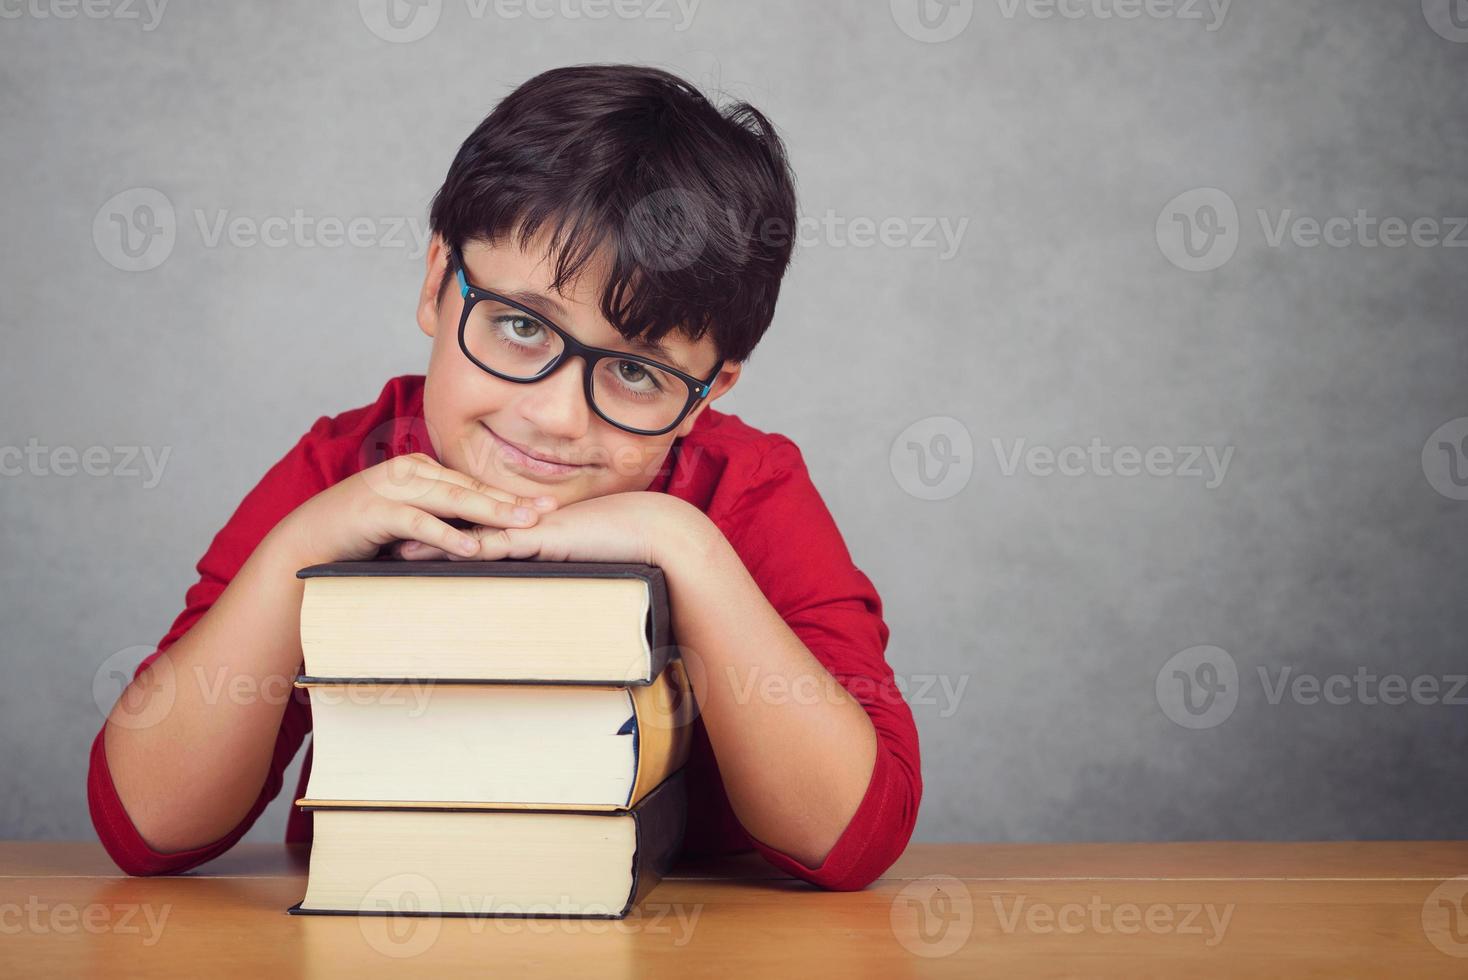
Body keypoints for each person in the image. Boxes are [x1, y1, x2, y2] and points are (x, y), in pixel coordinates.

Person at [89, 63, 921, 891]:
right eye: (521, 325)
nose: (559, 417)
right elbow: (151, 824)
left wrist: (687, 547)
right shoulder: (342, 477)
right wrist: (293, 558)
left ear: (710, 393)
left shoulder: (745, 489)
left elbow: (848, 835)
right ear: (435, 284)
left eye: (638, 373)